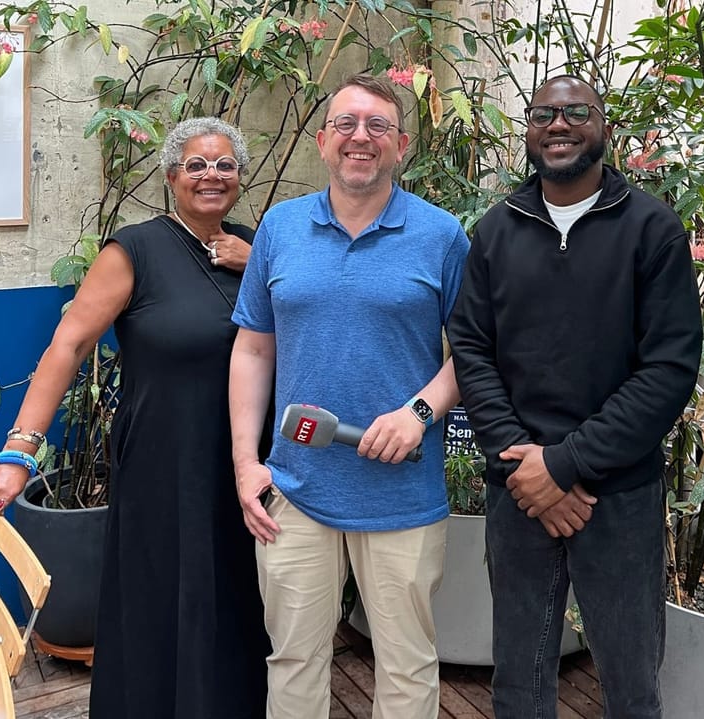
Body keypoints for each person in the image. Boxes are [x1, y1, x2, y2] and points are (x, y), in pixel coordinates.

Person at [0, 117, 269, 718]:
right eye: (196, 165)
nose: (211, 176)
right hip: (162, 462)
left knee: (233, 597)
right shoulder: (135, 249)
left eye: (224, 164)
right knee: (161, 597)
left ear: (239, 178)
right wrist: (19, 451)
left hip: (242, 461)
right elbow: (67, 345)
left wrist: (256, 263)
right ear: (172, 176)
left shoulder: (255, 243)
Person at [447, 74, 702, 718]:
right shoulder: (496, 231)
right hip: (518, 492)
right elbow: (472, 350)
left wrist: (565, 465)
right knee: (518, 680)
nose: (558, 124)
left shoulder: (653, 228)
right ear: (528, 131)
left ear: (604, 128)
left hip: (617, 495)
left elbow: (668, 369)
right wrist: (523, 462)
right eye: (543, 114)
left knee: (630, 681)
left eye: (575, 113)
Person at [228, 73, 469, 719]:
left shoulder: (442, 235)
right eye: (346, 123)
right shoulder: (279, 229)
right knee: (294, 659)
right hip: (295, 488)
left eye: (377, 126)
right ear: (323, 140)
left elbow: (474, 350)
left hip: (402, 492)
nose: (360, 137)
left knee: (406, 663)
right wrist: (247, 464)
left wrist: (419, 413)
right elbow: (253, 348)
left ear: (402, 144)